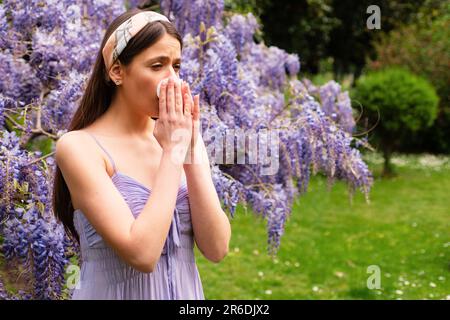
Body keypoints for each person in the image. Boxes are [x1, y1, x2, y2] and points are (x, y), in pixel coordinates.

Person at [52, 8, 231, 300]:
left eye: (176, 66)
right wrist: (173, 151)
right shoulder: (79, 147)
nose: (172, 81)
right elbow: (142, 254)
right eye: (157, 65)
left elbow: (216, 248)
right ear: (117, 71)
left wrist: (190, 149)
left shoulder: (178, 138)